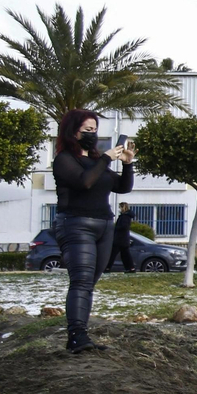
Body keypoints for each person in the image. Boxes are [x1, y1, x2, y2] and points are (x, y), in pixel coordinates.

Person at [51, 110, 135, 353]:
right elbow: (84, 182)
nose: (92, 134)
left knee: (89, 283)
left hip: (104, 225)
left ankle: (81, 334)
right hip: (76, 224)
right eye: (86, 130)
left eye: (94, 129)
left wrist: (127, 164)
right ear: (72, 131)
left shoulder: (98, 161)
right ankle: (76, 336)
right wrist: (107, 159)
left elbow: (122, 187)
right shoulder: (65, 159)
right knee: (81, 280)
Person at [106, 202, 135, 274]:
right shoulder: (127, 216)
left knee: (112, 254)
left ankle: (107, 267)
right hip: (124, 239)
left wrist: (115, 228)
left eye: (120, 207)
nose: (119, 209)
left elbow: (124, 227)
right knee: (125, 255)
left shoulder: (124, 217)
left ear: (123, 207)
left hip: (119, 239)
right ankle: (130, 268)